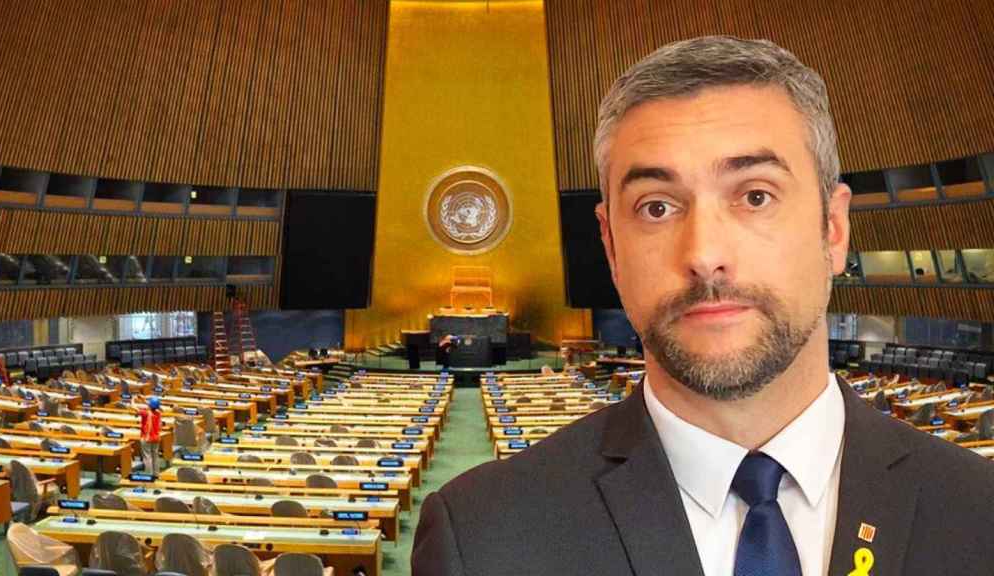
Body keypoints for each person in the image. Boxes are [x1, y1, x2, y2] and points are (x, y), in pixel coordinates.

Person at [412, 36, 994, 575]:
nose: (705, 255)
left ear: (834, 229)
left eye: (755, 196)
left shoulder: (979, 514)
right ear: (612, 248)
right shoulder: (483, 538)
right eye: (658, 207)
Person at [131, 395, 162, 476]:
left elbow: (133, 407)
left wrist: (133, 399)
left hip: (147, 438)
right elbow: (153, 405)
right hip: (156, 438)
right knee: (155, 456)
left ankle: (149, 475)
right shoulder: (159, 413)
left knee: (147, 457)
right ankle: (156, 474)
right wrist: (143, 399)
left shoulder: (145, 413)